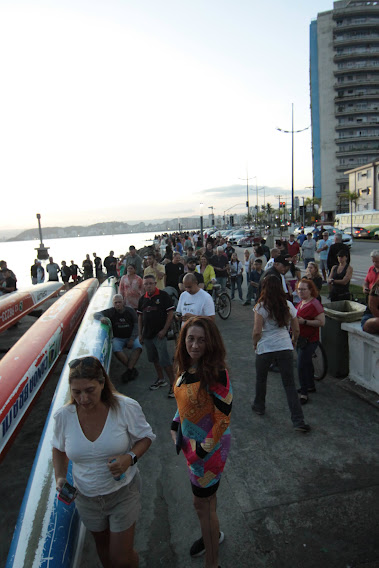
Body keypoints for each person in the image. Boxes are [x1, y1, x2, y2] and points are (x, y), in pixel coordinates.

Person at [52, 356, 155, 568]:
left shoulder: (125, 407)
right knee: (104, 551)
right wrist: (60, 476)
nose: (83, 398)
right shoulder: (64, 416)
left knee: (121, 557)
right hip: (86, 498)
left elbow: (146, 437)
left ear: (102, 383)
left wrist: (130, 458)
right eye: (76, 392)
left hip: (123, 493)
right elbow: (58, 449)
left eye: (90, 390)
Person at [170, 317, 232, 566]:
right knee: (207, 502)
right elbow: (183, 405)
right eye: (190, 339)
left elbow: (223, 420)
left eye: (201, 340)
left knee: (201, 505)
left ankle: (212, 561)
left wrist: (199, 452)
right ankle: (213, 535)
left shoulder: (217, 374)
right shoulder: (187, 368)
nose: (195, 345)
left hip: (209, 452)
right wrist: (175, 426)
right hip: (191, 449)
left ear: (211, 343)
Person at [251, 276, 310, 433]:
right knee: (289, 385)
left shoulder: (261, 307)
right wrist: (293, 341)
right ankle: (298, 420)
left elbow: (257, 331)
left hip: (265, 346)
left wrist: (255, 343)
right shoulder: (288, 305)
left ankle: (259, 406)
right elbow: (296, 329)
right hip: (284, 345)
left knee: (261, 379)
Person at [137, 274, 176, 397]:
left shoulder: (163, 296)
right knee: (154, 359)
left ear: (155, 284)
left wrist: (164, 330)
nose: (148, 286)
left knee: (165, 360)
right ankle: (161, 379)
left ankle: (173, 384)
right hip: (147, 335)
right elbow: (140, 317)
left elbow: (170, 313)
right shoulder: (142, 299)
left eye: (150, 283)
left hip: (159, 334)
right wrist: (140, 333)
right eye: (146, 284)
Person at [94, 294, 142, 382]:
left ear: (123, 302)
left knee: (138, 347)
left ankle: (129, 370)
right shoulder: (111, 311)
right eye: (116, 303)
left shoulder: (130, 311)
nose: (118, 304)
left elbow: (136, 326)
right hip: (118, 338)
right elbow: (96, 314)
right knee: (115, 348)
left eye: (119, 302)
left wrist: (132, 339)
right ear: (113, 303)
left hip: (131, 336)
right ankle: (131, 369)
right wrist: (101, 318)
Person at [296, 279, 325, 404]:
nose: (300, 291)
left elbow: (322, 322)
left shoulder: (315, 304)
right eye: (299, 289)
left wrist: (305, 322)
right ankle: (310, 386)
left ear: (310, 290)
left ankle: (304, 393)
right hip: (301, 339)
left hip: (310, 340)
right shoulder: (302, 302)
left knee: (301, 366)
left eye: (303, 289)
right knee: (307, 364)